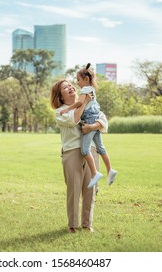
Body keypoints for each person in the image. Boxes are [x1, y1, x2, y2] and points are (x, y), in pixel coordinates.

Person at [50, 79, 104, 233]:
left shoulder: (91, 105)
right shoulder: (61, 111)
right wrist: (82, 102)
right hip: (72, 151)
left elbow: (102, 121)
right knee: (73, 189)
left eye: (70, 85)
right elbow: (74, 119)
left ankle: (87, 224)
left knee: (90, 188)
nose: (70, 87)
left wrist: (92, 126)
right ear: (60, 96)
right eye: (65, 87)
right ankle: (72, 225)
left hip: (91, 151)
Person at [60, 63, 117, 189]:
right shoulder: (91, 89)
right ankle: (110, 170)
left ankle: (95, 173)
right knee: (101, 148)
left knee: (85, 150)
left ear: (86, 79)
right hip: (95, 118)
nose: (77, 83)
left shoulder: (85, 89)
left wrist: (67, 109)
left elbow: (80, 102)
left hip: (90, 120)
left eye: (78, 80)